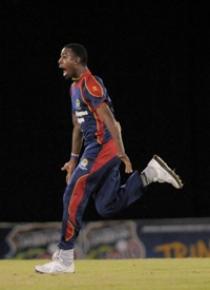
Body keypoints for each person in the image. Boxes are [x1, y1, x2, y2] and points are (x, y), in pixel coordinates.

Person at [35, 43, 183, 274]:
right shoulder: (74, 88)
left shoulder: (90, 85)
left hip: (105, 147)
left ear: (77, 60)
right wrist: (73, 160)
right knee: (107, 206)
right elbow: (77, 125)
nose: (59, 61)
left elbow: (112, 123)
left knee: (74, 190)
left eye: (64, 57)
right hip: (94, 149)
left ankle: (64, 258)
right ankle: (149, 175)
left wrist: (122, 154)